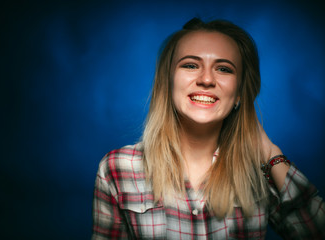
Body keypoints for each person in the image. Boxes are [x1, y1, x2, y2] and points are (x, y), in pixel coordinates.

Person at [92, 18, 325, 239]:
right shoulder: (117, 168)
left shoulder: (261, 171)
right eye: (191, 65)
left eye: (224, 69)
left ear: (239, 94)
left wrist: (269, 151)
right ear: (168, 83)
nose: (206, 79)